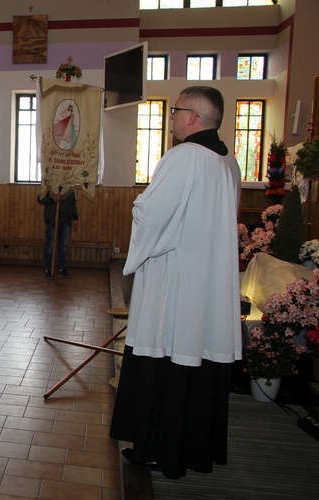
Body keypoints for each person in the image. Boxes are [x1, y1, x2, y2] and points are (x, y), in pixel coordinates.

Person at [109, 86, 242, 480]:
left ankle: (160, 451)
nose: (170, 118)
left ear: (193, 118)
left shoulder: (183, 157)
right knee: (193, 364)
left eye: (174, 110)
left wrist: (139, 208)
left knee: (167, 359)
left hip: (177, 282)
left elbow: (154, 216)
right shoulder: (227, 162)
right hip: (208, 286)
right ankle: (185, 451)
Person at [38, 187, 78, 279]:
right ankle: (48, 269)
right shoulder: (50, 184)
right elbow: (40, 199)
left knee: (63, 245)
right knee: (50, 245)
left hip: (66, 219)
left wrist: (75, 217)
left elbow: (73, 203)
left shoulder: (69, 186)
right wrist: (52, 199)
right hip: (52, 218)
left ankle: (62, 269)